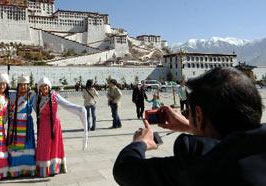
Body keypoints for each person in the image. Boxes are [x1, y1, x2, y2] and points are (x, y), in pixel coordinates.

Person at [113, 67, 266, 186]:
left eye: (190, 114)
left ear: (198, 116)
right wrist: (191, 126)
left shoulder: (202, 165)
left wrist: (140, 143)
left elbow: (125, 169)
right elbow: (230, 142)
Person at [34, 77, 88, 177]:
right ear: (39, 88)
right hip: (43, 126)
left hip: (54, 125)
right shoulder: (36, 98)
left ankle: (53, 169)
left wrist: (79, 109)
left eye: (46, 85)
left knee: (55, 145)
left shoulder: (55, 96)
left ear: (49, 86)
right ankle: (43, 169)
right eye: (42, 86)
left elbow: (67, 104)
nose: (44, 87)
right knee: (44, 146)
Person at [7, 75, 36, 177]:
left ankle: (28, 169)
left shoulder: (32, 96)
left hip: (26, 124)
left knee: (27, 145)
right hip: (14, 123)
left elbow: (38, 108)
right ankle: (15, 169)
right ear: (18, 86)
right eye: (21, 85)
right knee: (15, 146)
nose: (23, 87)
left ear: (28, 86)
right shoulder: (12, 96)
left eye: (25, 85)